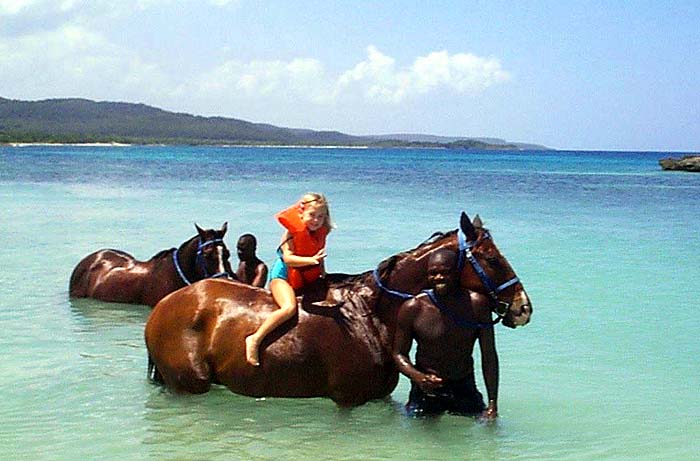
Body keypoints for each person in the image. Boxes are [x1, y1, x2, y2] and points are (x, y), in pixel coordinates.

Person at [392, 248, 499, 420]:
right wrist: (419, 378)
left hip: (463, 386)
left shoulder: (477, 305)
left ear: (457, 273)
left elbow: (489, 356)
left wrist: (493, 404)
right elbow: (399, 354)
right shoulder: (413, 308)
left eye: (445, 272)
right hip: (426, 391)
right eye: (433, 273)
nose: (439, 277)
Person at [245, 193, 333, 366]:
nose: (316, 220)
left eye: (321, 216)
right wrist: (311, 260)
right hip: (283, 277)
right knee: (289, 308)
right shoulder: (290, 234)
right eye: (312, 215)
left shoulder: (322, 232)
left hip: (305, 277)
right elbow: (289, 259)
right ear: (301, 214)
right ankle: (255, 339)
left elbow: (319, 256)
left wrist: (323, 274)